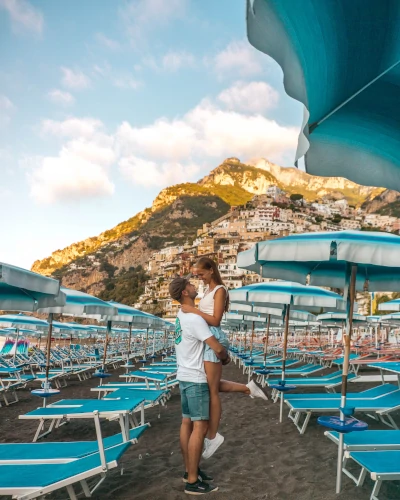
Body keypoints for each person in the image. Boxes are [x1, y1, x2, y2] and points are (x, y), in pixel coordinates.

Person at [181, 257, 267, 460]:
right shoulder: (208, 291)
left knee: (211, 391)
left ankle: (212, 436)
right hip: (206, 339)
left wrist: (193, 310)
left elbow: (216, 320)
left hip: (214, 337)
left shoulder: (220, 290)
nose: (199, 278)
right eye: (196, 275)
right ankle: (248, 388)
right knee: (208, 384)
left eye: (201, 274)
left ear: (211, 270)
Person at [169, 275, 229, 495]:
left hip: (184, 376)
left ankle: (189, 470)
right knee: (200, 427)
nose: (195, 286)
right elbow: (216, 347)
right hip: (195, 378)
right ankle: (192, 482)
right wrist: (225, 358)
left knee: (187, 424)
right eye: (191, 285)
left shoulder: (180, 315)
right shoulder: (194, 319)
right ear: (185, 292)